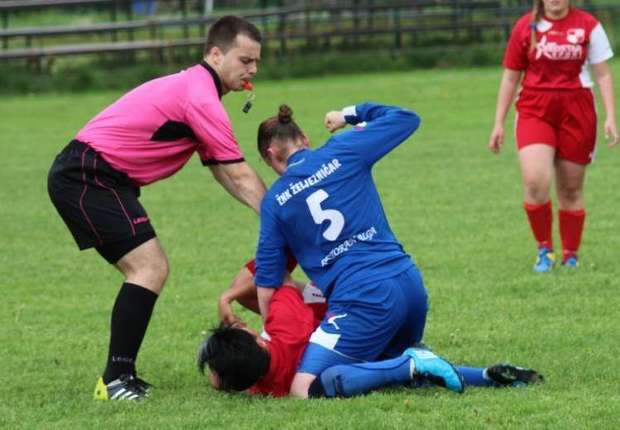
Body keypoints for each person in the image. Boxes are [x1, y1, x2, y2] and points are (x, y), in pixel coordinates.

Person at [47, 16, 266, 401]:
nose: (253, 70)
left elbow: (223, 170)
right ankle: (115, 380)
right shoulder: (200, 97)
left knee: (149, 268)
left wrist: (270, 214)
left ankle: (121, 376)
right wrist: (281, 216)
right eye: (245, 60)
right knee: (148, 268)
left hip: (97, 176)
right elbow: (239, 173)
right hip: (88, 176)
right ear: (216, 55)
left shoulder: (198, 90)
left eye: (256, 62)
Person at [252, 102, 468, 399]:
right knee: (377, 372)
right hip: (410, 286)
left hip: (363, 301)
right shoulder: (342, 149)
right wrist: (347, 115)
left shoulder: (275, 201)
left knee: (303, 388)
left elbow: (267, 282)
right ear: (305, 139)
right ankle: (485, 375)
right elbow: (406, 118)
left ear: (271, 155)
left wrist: (274, 336)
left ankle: (411, 362)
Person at [197, 259, 543, 397]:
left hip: (359, 335)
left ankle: (436, 369)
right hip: (364, 318)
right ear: (257, 340)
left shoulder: (262, 387)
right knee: (329, 381)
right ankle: (484, 375)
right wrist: (228, 297)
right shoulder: (283, 323)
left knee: (333, 382)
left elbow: (221, 380)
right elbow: (271, 269)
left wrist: (225, 367)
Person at [488, 0, 618, 272]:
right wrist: (498, 122)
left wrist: (610, 116)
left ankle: (571, 254)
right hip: (535, 108)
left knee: (570, 188)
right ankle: (544, 250)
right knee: (535, 182)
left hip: (577, 110)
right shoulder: (525, 27)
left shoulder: (588, 25)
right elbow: (510, 77)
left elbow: (603, 74)